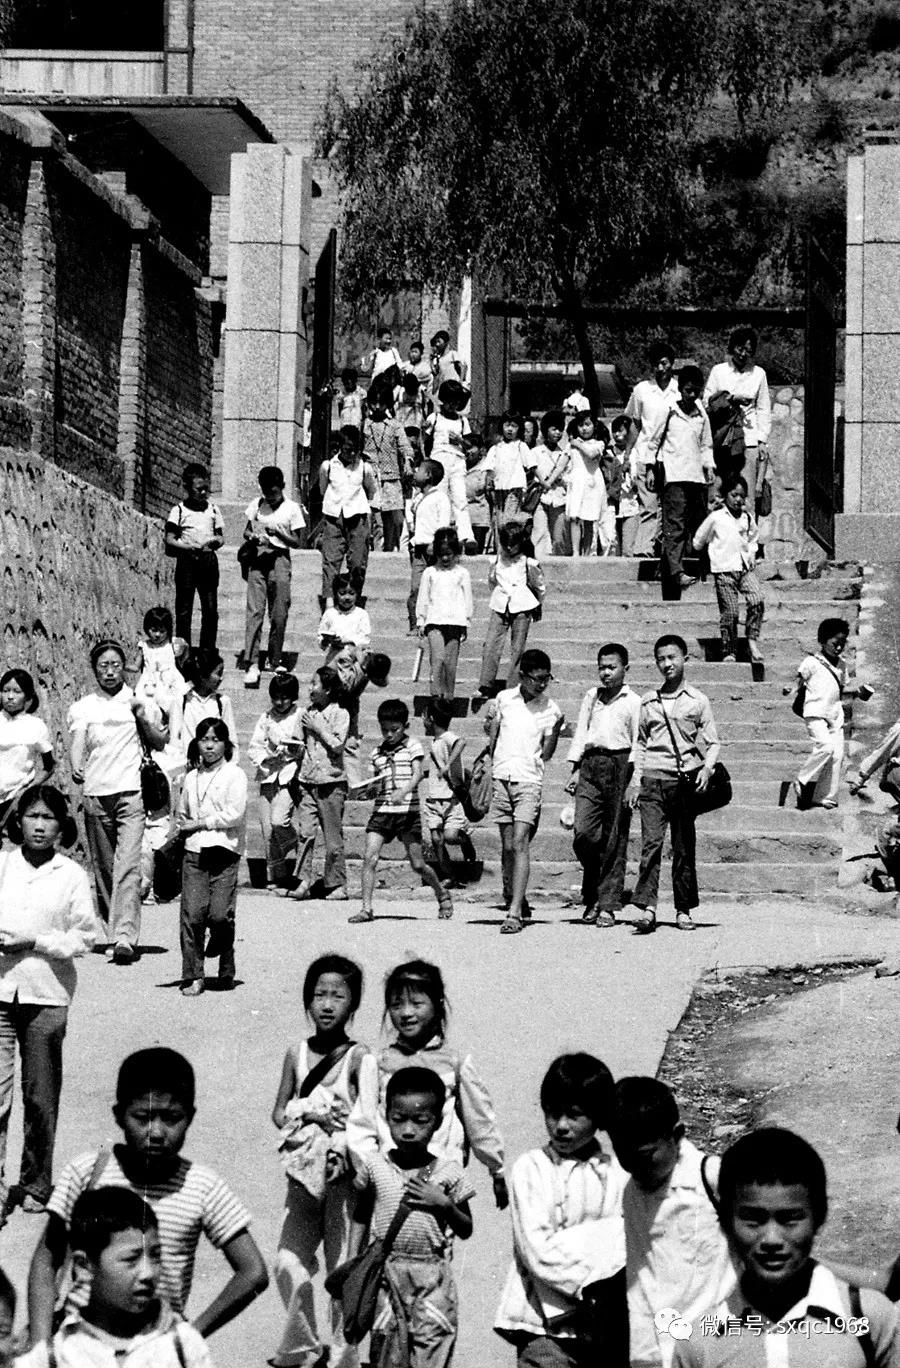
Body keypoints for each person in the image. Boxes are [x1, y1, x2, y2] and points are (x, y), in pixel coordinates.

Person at [28, 1047, 268, 1342]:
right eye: (142, 1117)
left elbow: (253, 1271)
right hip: (81, 1346)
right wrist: (41, 1347)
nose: (156, 1131)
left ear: (190, 1117)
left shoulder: (202, 1186)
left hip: (155, 1351)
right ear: (119, 1116)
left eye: (171, 1118)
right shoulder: (87, 1172)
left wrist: (190, 1335)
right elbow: (46, 1259)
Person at [671, 1127, 900, 1367]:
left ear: (819, 1218)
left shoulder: (869, 1321)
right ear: (726, 1223)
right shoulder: (698, 1341)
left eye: (789, 1219)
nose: (771, 1239)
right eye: (754, 1220)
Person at [270, 955, 377, 1368]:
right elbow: (279, 1112)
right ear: (307, 1001)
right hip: (302, 1180)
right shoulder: (295, 1053)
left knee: (341, 1271)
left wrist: (347, 1150)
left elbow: (371, 1122)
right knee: (286, 1263)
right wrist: (310, 1114)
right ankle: (303, 1342)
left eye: (338, 995)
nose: (327, 1004)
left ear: (353, 1005)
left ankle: (340, 1355)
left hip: (343, 1184)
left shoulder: (359, 1058)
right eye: (319, 995)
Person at [494, 1053, 628, 1368]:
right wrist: (594, 1285)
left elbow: (624, 1240)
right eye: (553, 1114)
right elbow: (538, 1249)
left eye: (574, 1115)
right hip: (543, 1328)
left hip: (604, 1329)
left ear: (598, 1117)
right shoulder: (532, 1169)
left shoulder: (617, 1173)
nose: (561, 1126)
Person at [0, 786, 97, 1220]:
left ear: (62, 825)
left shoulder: (70, 874)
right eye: (32, 817)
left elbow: (85, 936)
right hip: (1, 990)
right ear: (17, 821)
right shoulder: (1, 865)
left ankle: (37, 1181)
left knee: (39, 1096)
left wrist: (36, 941)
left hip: (47, 995)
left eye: (49, 818)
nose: (39, 826)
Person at [346, 959, 507, 1207]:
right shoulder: (378, 1063)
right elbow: (363, 1122)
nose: (406, 1013)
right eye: (396, 1004)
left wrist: (496, 1169)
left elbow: (480, 1121)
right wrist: (368, 1168)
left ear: (438, 1005)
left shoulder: (455, 1063)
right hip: (391, 1183)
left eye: (417, 1003)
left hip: (441, 1183)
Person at [348, 1066, 474, 1368]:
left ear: (438, 1122)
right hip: (386, 1274)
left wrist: (444, 1204)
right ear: (385, 1115)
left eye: (420, 1121)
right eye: (398, 1119)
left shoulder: (449, 1172)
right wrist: (353, 1261)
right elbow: (361, 1215)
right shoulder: (375, 1166)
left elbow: (466, 1228)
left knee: (431, 1349)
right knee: (386, 1353)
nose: (407, 1130)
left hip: (431, 1277)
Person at [609, 1077, 734, 1368]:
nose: (635, 1167)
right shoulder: (632, 1194)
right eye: (623, 1156)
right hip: (661, 1346)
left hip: (719, 1339)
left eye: (645, 1155)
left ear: (677, 1136)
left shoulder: (711, 1178)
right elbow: (641, 1278)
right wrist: (642, 1355)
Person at [19, 1188, 214, 1368]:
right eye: (131, 1259)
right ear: (84, 1267)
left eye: (155, 1255)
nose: (148, 1273)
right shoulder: (58, 1355)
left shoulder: (183, 1346)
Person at [68, 640, 168, 964]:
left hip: (131, 794)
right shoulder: (84, 706)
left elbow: (160, 741)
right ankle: (114, 932)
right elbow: (78, 740)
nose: (109, 671)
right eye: (103, 666)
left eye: (114, 665)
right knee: (104, 869)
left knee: (127, 866)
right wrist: (75, 764)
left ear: (123, 667)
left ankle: (125, 936)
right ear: (95, 670)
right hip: (97, 795)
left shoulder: (136, 701)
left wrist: (142, 717)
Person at [628, 635, 720, 934]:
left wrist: (708, 767)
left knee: (683, 847)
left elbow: (714, 741)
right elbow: (640, 743)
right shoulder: (648, 700)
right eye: (661, 659)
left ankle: (683, 909)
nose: (666, 664)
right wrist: (635, 781)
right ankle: (648, 908)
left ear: (685, 659)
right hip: (653, 780)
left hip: (684, 782)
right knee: (651, 845)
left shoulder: (698, 700)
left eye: (672, 658)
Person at [348, 699, 452, 923]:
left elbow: (417, 774)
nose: (388, 734)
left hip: (407, 811)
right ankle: (366, 908)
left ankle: (441, 893)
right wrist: (365, 791)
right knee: (370, 857)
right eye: (384, 729)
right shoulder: (377, 752)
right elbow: (374, 782)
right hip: (383, 810)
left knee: (417, 864)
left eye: (394, 730)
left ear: (405, 725)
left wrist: (403, 792)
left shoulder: (412, 745)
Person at [485, 649, 565, 935]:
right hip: (501, 777)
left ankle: (515, 912)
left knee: (520, 842)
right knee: (507, 846)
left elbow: (547, 753)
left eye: (547, 679)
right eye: (537, 679)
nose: (542, 684)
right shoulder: (504, 699)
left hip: (529, 781)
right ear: (523, 676)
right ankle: (514, 894)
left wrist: (555, 729)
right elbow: (493, 736)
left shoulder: (550, 709)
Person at [567, 644, 641, 926]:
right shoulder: (592, 696)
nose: (606, 673)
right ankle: (597, 886)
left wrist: (634, 780)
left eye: (612, 667)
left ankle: (605, 903)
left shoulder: (633, 701)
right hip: (590, 764)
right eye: (602, 667)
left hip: (621, 765)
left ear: (625, 669)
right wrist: (575, 769)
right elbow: (581, 731)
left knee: (615, 837)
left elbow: (638, 743)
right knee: (584, 833)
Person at [178, 718, 247, 997]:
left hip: (224, 852)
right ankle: (193, 975)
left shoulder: (235, 775)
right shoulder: (191, 777)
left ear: (225, 744)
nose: (209, 745)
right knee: (193, 915)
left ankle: (226, 966)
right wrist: (188, 827)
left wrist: (202, 823)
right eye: (204, 739)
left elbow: (235, 814)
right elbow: (183, 813)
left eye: (215, 739)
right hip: (194, 852)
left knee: (220, 916)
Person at [650, 365, 714, 600]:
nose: (692, 395)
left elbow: (706, 445)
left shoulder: (701, 415)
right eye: (688, 390)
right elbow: (653, 441)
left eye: (696, 391)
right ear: (680, 388)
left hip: (696, 478)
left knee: (700, 526)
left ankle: (705, 570)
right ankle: (676, 572)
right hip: (674, 477)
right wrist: (649, 469)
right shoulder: (668, 412)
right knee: (674, 527)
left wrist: (709, 467)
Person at [286, 668, 350, 903]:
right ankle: (303, 880)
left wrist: (318, 728)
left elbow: (337, 745)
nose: (310, 688)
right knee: (305, 833)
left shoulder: (340, 714)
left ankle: (337, 883)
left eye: (315, 684)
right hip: (307, 780)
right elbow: (298, 742)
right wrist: (293, 748)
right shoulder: (305, 713)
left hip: (331, 783)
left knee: (333, 838)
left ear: (328, 689)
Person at [242, 466, 306, 687]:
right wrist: (254, 537)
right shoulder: (257, 504)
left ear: (282, 488)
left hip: (280, 558)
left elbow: (297, 541)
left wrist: (278, 533)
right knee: (255, 610)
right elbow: (246, 530)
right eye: (267, 492)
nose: (271, 497)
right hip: (258, 559)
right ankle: (251, 661)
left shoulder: (292, 508)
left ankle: (274, 657)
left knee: (279, 611)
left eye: (275, 493)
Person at [693, 474, 765, 664]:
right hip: (723, 571)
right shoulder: (716, 518)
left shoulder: (747, 518)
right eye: (734, 495)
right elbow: (698, 541)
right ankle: (729, 650)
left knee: (757, 600)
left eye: (742, 496)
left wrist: (751, 553)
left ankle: (752, 640)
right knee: (731, 612)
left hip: (744, 569)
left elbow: (753, 538)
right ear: (725, 496)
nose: (738, 500)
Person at [703, 325, 772, 513]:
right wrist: (730, 399)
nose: (743, 354)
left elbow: (764, 409)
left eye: (748, 351)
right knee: (718, 492)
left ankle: (748, 539)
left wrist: (762, 441)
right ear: (732, 348)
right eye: (740, 349)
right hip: (722, 441)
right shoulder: (718, 371)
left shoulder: (759, 374)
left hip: (748, 441)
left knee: (746, 496)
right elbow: (706, 402)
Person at [247, 672, 305, 887]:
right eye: (276, 698)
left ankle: (295, 843)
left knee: (279, 820)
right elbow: (254, 746)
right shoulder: (266, 717)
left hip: (290, 774)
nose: (280, 703)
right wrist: (267, 757)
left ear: (293, 697)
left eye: (285, 697)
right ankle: (277, 876)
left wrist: (293, 751)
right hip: (268, 774)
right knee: (267, 829)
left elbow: (305, 744)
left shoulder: (300, 715)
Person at [624, 342, 680, 558]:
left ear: (671, 364)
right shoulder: (642, 390)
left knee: (669, 507)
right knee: (648, 505)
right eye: (656, 364)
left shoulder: (678, 390)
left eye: (664, 363)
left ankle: (664, 549)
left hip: (672, 455)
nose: (660, 368)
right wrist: (628, 454)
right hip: (644, 454)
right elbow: (635, 424)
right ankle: (643, 549)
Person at [788, 617, 850, 811]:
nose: (838, 648)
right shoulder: (812, 662)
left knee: (837, 755)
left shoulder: (842, 665)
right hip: (815, 712)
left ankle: (825, 796)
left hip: (835, 714)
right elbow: (799, 679)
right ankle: (802, 778)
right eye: (834, 644)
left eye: (842, 644)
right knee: (825, 747)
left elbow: (843, 688)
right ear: (823, 641)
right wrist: (790, 687)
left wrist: (859, 692)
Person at [478, 522, 545, 694]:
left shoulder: (528, 562)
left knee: (517, 648)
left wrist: (537, 604)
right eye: (505, 544)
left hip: (522, 606)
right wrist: (500, 596)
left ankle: (513, 686)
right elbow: (492, 581)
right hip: (501, 605)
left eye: (512, 544)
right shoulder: (496, 560)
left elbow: (539, 585)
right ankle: (486, 683)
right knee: (492, 644)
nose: (509, 548)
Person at [165, 463, 224, 653]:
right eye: (199, 489)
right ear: (187, 488)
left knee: (210, 609)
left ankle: (208, 651)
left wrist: (215, 541)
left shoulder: (213, 509)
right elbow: (170, 539)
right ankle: (184, 652)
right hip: (187, 561)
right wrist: (188, 546)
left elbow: (221, 536)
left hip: (207, 561)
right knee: (184, 609)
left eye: (206, 488)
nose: (203, 492)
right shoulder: (179, 510)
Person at [318, 427, 377, 609]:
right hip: (334, 517)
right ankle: (329, 604)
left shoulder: (364, 468)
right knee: (331, 561)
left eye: (354, 450)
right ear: (339, 447)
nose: (351, 454)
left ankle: (354, 600)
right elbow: (323, 489)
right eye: (347, 449)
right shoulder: (328, 466)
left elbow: (371, 490)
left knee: (358, 561)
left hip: (357, 517)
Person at [423, 698, 478, 879]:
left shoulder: (447, 737)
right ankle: (448, 875)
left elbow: (461, 742)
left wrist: (448, 766)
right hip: (433, 799)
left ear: (430, 718)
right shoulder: (435, 741)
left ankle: (465, 840)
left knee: (450, 836)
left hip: (450, 799)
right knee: (437, 840)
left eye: (424, 716)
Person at [415, 527, 473, 699]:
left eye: (449, 553)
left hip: (455, 623)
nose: (445, 558)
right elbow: (423, 596)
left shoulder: (462, 573)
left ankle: (448, 698)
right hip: (434, 622)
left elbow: (467, 599)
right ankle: (435, 696)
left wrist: (466, 622)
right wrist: (421, 620)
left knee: (450, 664)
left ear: (456, 552)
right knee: (438, 660)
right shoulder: (430, 572)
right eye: (442, 554)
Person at [0, 668, 54, 835]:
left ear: (28, 697)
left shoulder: (35, 726)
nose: (10, 696)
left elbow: (49, 766)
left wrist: (27, 790)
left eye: (17, 691)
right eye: (5, 690)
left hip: (15, 799)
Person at [363, 379, 415, 552]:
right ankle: (378, 552)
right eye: (374, 403)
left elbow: (405, 447)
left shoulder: (395, 425)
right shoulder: (365, 424)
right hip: (371, 477)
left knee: (395, 518)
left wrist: (408, 461)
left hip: (392, 477)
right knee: (376, 518)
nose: (377, 407)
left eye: (381, 403)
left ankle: (394, 548)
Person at [423, 380, 474, 546]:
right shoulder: (435, 417)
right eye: (449, 401)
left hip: (458, 461)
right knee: (440, 497)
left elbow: (469, 445)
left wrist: (459, 440)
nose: (453, 405)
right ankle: (440, 535)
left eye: (456, 402)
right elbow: (424, 440)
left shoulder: (462, 421)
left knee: (460, 498)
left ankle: (466, 536)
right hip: (439, 460)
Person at [406, 460, 450, 632]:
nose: (416, 471)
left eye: (420, 469)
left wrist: (437, 544)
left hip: (433, 549)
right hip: (418, 550)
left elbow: (443, 525)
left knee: (434, 586)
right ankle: (415, 623)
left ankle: (435, 622)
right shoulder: (417, 498)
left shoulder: (440, 498)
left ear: (429, 475)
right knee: (416, 587)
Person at [173, 650, 238, 763]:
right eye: (218, 673)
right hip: (188, 766)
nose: (221, 678)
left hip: (216, 768)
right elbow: (174, 739)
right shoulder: (182, 701)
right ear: (203, 675)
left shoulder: (222, 702)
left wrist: (231, 767)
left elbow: (231, 740)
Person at [483, 412, 537, 527]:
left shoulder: (520, 445)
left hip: (514, 488)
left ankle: (524, 521)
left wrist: (544, 482)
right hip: (498, 489)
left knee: (508, 522)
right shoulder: (496, 448)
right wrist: (489, 483)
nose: (510, 429)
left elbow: (532, 465)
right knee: (498, 521)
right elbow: (489, 469)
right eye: (507, 425)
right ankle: (499, 545)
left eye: (514, 426)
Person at [565, 412, 608, 556]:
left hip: (592, 482)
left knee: (590, 519)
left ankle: (587, 552)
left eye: (587, 425)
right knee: (575, 516)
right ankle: (576, 552)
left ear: (594, 426)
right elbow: (562, 463)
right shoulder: (571, 445)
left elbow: (591, 454)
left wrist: (577, 444)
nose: (584, 428)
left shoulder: (598, 444)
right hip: (577, 480)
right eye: (581, 425)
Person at [532, 410, 571, 558]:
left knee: (559, 537)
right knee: (540, 533)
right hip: (540, 499)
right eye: (554, 429)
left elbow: (569, 476)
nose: (557, 433)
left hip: (559, 498)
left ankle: (558, 567)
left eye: (560, 430)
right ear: (545, 430)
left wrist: (560, 479)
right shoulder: (535, 452)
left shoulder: (565, 454)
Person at [135, 607, 183, 717]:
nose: (157, 635)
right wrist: (122, 665)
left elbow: (183, 659)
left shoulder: (172, 644)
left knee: (174, 708)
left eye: (162, 631)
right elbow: (136, 666)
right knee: (147, 709)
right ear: (147, 628)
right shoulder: (144, 645)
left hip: (169, 681)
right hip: (149, 682)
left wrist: (183, 649)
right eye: (154, 630)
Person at [317, 576, 372, 667]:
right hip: (334, 657)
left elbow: (364, 639)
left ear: (357, 594)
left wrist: (345, 641)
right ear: (335, 594)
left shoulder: (361, 614)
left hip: (354, 658)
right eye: (342, 593)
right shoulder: (329, 613)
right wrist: (326, 640)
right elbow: (321, 637)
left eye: (351, 593)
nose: (347, 597)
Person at [610, 416, 641, 556]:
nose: (617, 435)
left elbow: (636, 479)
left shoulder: (636, 453)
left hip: (630, 503)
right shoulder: (609, 452)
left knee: (628, 548)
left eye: (620, 431)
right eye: (614, 431)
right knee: (612, 544)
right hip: (612, 504)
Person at [464, 432, 493, 553]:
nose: (467, 451)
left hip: (478, 521)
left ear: (481, 450)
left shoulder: (487, 468)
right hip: (457, 520)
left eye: (471, 447)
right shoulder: (457, 466)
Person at [430, 330, 467, 400]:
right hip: (445, 388)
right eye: (436, 342)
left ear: (446, 342)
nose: (437, 344)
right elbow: (436, 374)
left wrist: (460, 382)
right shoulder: (439, 359)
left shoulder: (452, 354)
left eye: (439, 341)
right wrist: (431, 361)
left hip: (454, 387)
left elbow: (462, 367)